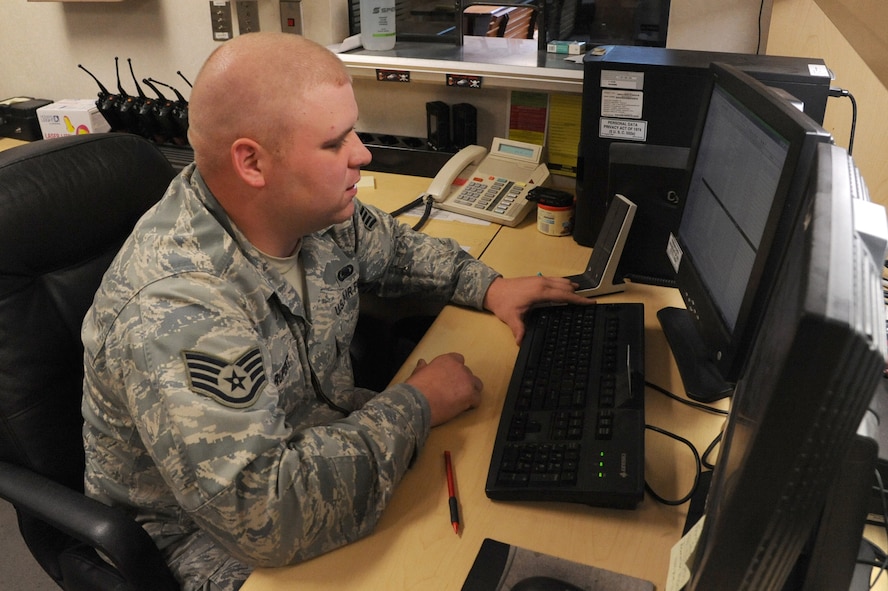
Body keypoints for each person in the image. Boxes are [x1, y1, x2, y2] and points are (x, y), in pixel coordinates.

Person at [81, 32, 590, 591]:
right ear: (252, 162)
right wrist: (417, 404)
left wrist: (490, 287)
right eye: (334, 142)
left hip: (325, 443)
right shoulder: (177, 308)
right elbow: (265, 516)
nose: (362, 154)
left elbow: (395, 250)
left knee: (503, 511)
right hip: (206, 540)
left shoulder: (310, 214)